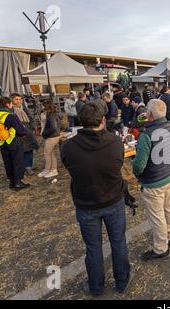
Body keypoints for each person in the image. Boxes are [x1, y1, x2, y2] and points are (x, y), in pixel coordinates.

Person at [61, 102, 131, 297]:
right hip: (112, 200)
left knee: (93, 247)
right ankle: (122, 281)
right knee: (118, 242)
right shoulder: (115, 142)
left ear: (81, 122)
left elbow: (69, 167)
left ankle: (96, 287)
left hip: (86, 203)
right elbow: (118, 164)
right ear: (102, 120)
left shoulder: (68, 147)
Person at [132, 99, 170, 261]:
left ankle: (160, 248)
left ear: (149, 115)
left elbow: (139, 165)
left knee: (157, 216)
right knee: (168, 207)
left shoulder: (146, 135)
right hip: (169, 175)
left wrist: (133, 166)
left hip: (153, 182)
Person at [0, 97, 29, 190]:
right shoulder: (10, 115)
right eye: (11, 104)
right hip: (13, 142)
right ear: (7, 104)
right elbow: (20, 130)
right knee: (17, 162)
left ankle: (11, 182)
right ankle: (18, 183)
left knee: (8, 162)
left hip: (1, 142)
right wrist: (25, 132)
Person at [11, 93, 39, 176]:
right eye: (16, 99)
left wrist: (33, 126)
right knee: (21, 151)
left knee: (29, 149)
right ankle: (23, 167)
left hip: (28, 131)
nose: (19, 101)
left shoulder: (24, 108)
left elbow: (30, 117)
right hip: (18, 133)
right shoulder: (11, 110)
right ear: (12, 100)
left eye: (20, 99)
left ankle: (28, 166)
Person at [38, 100, 61, 179]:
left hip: (52, 137)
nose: (42, 107)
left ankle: (52, 170)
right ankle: (50, 169)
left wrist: (45, 133)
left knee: (47, 153)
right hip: (53, 136)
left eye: (43, 105)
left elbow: (53, 127)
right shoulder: (52, 114)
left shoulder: (51, 116)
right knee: (51, 153)